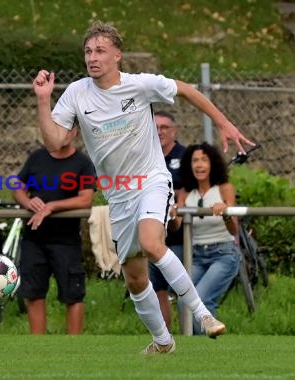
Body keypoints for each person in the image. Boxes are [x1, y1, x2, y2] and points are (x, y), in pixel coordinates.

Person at [32, 21, 254, 354]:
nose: (92, 57)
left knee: (152, 242)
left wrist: (224, 123)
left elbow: (188, 90)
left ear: (117, 55)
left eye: (100, 51)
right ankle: (163, 341)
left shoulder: (141, 85)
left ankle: (203, 315)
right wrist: (43, 101)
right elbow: (56, 141)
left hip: (151, 179)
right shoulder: (77, 93)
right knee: (136, 278)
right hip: (118, 194)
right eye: (88, 51)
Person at [12, 126, 96, 335]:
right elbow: (17, 187)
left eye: (67, 129)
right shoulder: (37, 157)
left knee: (73, 294)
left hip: (66, 241)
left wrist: (52, 206)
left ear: (75, 132)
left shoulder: (83, 163)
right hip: (34, 239)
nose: (61, 134)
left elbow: (86, 199)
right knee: (33, 293)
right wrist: (28, 201)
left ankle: (73, 347)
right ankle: (38, 346)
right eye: (56, 128)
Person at [168, 142, 241, 335]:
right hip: (197, 255)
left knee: (201, 298)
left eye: (204, 160)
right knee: (184, 300)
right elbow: (177, 226)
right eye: (195, 161)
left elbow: (234, 229)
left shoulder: (224, 188)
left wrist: (225, 212)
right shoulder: (185, 192)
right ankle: (197, 348)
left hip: (223, 253)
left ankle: (208, 351)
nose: (199, 165)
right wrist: (174, 214)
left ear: (212, 164)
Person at [148, 111, 186, 332]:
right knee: (158, 288)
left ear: (174, 130)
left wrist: (178, 206)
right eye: (156, 127)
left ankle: (189, 332)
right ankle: (165, 336)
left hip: (180, 236)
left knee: (180, 286)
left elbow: (188, 187)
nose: (160, 132)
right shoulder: (146, 155)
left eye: (164, 127)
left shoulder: (186, 155)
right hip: (153, 233)